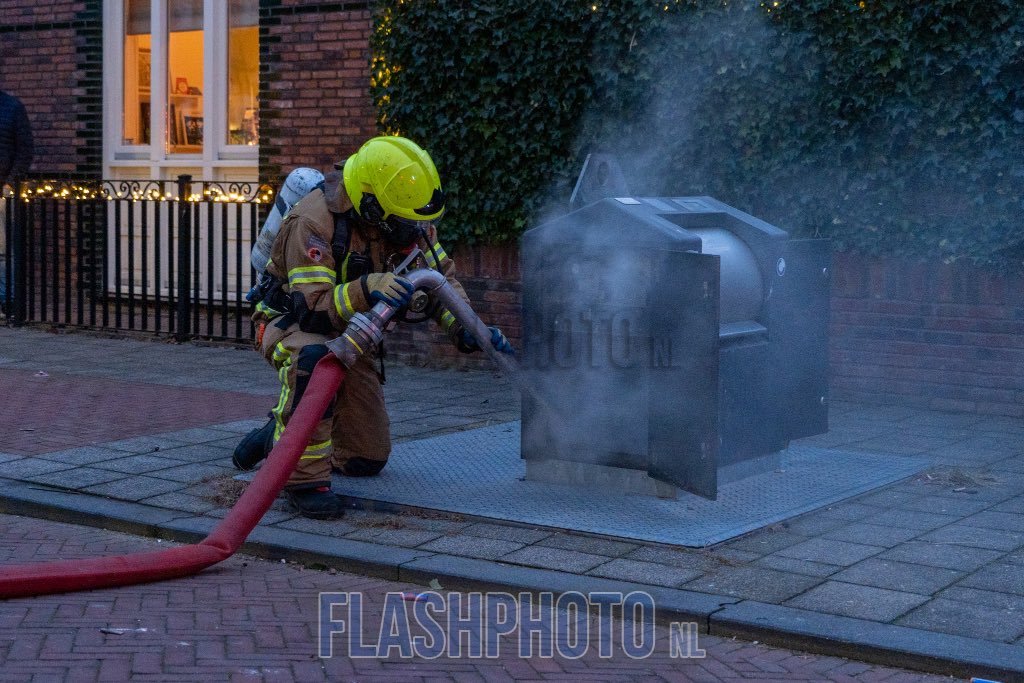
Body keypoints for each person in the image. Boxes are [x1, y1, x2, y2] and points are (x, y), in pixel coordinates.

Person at [234, 136, 513, 519]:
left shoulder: (404, 221)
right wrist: (369, 288)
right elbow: (313, 308)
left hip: (352, 332)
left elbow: (439, 281)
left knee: (367, 458)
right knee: (314, 360)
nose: (415, 229)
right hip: (291, 324)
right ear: (370, 205)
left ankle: (281, 434)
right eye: (405, 221)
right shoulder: (312, 222)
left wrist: (464, 327)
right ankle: (302, 480)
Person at [0, 88, 34, 316]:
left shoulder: (12, 107)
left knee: (3, 251)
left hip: (2, 191)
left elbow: (25, 150)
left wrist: (10, 184)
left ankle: (6, 301)